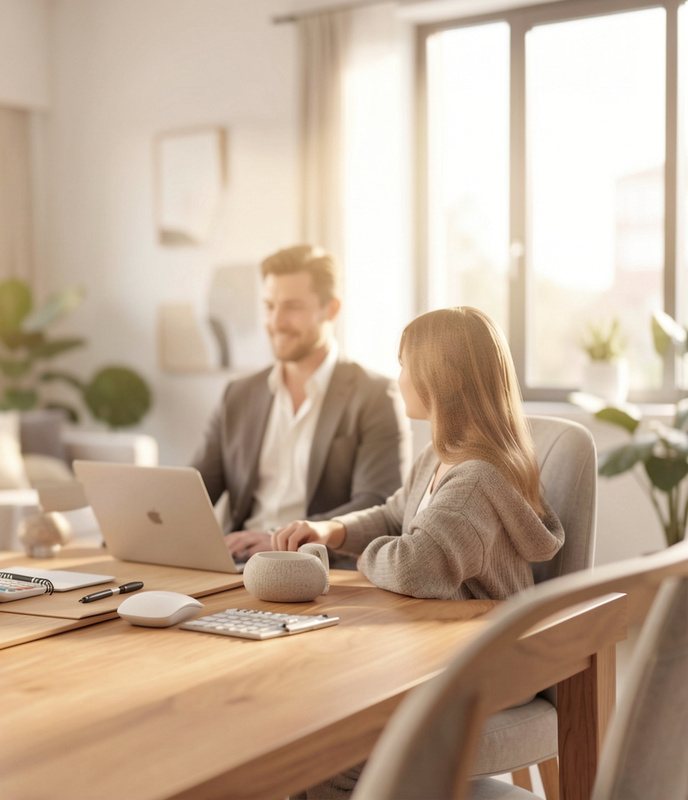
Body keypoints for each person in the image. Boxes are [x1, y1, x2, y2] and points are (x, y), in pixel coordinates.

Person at [276, 307, 565, 800]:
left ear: (442, 378)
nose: (400, 376)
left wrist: (358, 562)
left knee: (328, 753)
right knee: (307, 724)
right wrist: (332, 531)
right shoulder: (440, 454)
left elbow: (415, 566)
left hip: (491, 665)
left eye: (406, 364)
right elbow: (394, 517)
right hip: (442, 651)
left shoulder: (475, 479)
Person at [190, 244, 410, 566]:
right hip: (240, 565)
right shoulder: (238, 394)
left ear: (331, 309)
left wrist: (279, 537)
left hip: (322, 570)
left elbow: (376, 504)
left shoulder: (375, 395)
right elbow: (195, 489)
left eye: (292, 307)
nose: (276, 321)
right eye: (269, 306)